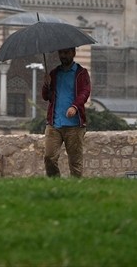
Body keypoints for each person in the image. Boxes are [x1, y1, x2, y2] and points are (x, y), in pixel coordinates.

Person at [40, 46, 91, 177]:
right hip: (54, 124)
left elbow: (84, 92)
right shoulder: (54, 73)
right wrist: (46, 84)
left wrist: (75, 106)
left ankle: (76, 189)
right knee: (49, 157)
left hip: (74, 126)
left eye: (66, 53)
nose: (63, 56)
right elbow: (46, 96)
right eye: (61, 53)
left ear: (73, 53)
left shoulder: (81, 73)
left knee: (75, 163)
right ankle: (55, 184)